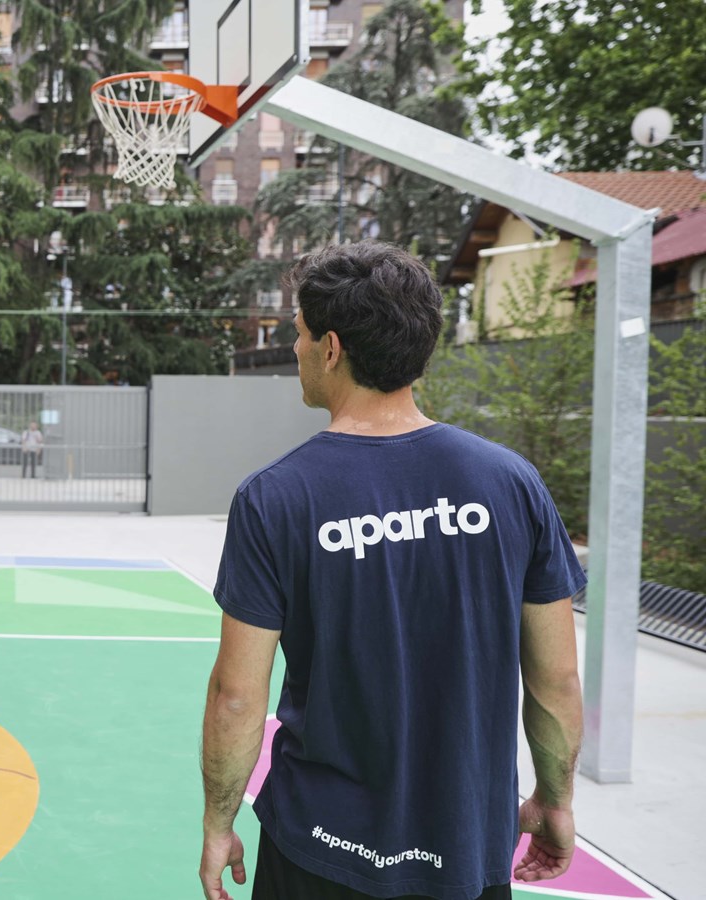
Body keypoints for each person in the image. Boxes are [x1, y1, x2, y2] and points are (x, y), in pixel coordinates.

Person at [198, 242, 585, 900]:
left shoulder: (275, 497)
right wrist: (556, 799)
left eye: (299, 332)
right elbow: (556, 680)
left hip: (321, 847)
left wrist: (218, 822)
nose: (295, 348)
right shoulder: (512, 483)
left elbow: (237, 695)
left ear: (330, 349)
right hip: (467, 845)